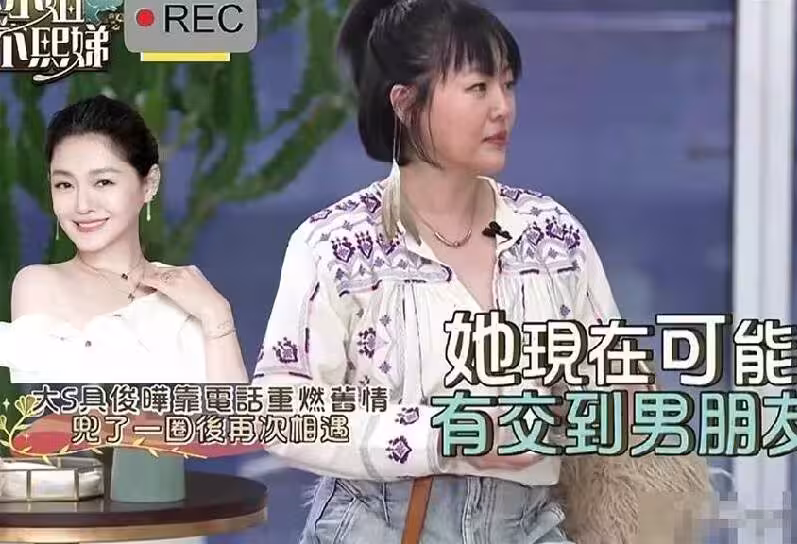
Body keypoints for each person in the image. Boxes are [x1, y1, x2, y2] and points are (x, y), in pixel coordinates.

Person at [251, 0, 653, 542]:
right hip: (379, 526)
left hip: (529, 525)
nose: (503, 108)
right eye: (478, 87)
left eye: (507, 85)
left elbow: (622, 386)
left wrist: (563, 414)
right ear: (405, 103)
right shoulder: (335, 244)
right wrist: (445, 433)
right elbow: (281, 414)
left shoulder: (554, 234)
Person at [1, 94, 248, 386]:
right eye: (65, 184)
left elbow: (233, 414)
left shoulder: (190, 291)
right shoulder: (39, 284)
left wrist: (217, 315)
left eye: (103, 182)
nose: (82, 205)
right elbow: (61, 403)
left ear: (150, 184)